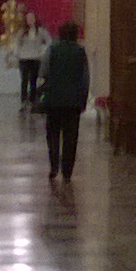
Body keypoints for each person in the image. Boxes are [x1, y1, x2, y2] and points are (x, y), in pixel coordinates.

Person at [41, 18, 91, 196]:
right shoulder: (80, 51)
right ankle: (67, 170)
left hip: (54, 99)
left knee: (53, 134)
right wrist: (83, 100)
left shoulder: (53, 49)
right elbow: (85, 78)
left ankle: (54, 166)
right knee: (71, 137)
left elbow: (44, 71)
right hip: (73, 101)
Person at [16, 17, 45, 109]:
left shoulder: (40, 31)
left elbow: (48, 41)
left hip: (35, 58)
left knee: (33, 81)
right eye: (29, 19)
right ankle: (23, 100)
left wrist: (42, 52)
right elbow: (17, 43)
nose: (30, 20)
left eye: (32, 18)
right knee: (24, 81)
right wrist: (19, 53)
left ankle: (32, 100)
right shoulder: (22, 32)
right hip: (24, 58)